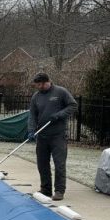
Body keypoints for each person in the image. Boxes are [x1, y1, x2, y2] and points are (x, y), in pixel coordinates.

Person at [27, 72, 77, 200]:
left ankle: (59, 191)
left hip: (58, 135)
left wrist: (60, 115)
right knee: (42, 163)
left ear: (47, 82)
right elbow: (32, 115)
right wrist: (31, 130)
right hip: (42, 135)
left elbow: (73, 106)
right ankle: (46, 189)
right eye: (37, 85)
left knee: (59, 164)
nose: (39, 87)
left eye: (40, 84)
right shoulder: (36, 97)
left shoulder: (61, 92)